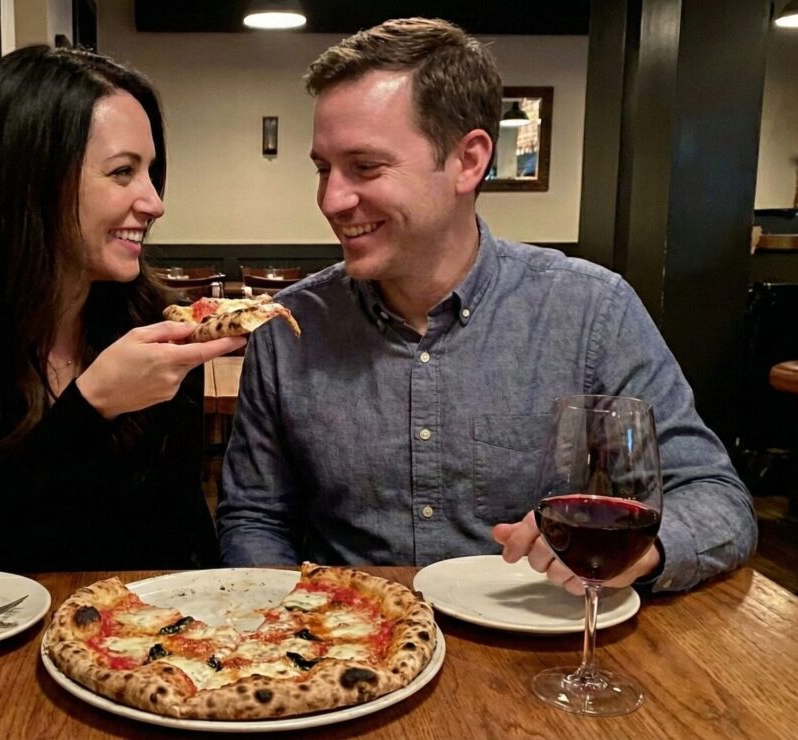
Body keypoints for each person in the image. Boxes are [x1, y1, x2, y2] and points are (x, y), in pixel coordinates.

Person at [217, 18, 757, 593]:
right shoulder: (291, 327)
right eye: (323, 169)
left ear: (469, 161)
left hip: (540, 629)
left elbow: (717, 499)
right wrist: (284, 617)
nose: (331, 199)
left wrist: (645, 552)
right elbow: (254, 518)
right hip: (348, 633)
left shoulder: (591, 311)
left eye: (365, 167)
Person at [0, 46, 243, 574]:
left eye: (151, 171)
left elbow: (178, 530)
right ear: (27, 180)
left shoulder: (151, 318)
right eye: (123, 172)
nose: (154, 203)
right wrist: (93, 405)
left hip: (128, 618)